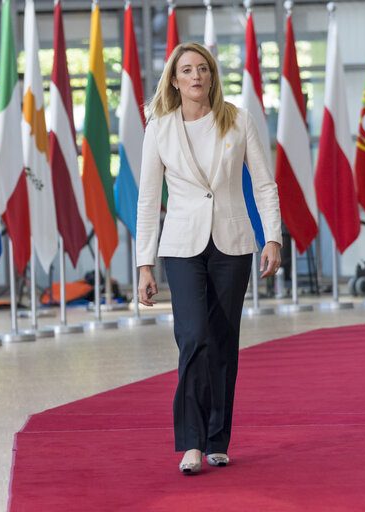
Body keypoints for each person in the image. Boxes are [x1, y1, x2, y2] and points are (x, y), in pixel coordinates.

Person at [135, 42, 282, 475]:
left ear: (213, 76)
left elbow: (264, 184)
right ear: (175, 80)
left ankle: (218, 439)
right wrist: (145, 263)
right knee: (194, 335)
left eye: (204, 68)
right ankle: (191, 442)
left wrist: (272, 237)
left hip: (232, 243)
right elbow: (147, 200)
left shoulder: (237, 120)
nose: (196, 76)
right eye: (187, 70)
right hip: (181, 246)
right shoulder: (158, 127)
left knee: (222, 340)